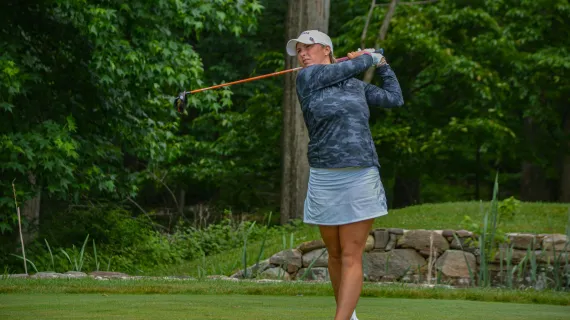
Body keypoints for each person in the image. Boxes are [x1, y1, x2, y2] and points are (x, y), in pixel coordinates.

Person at [285, 30, 404, 320]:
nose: (302, 55)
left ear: (326, 50)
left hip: (360, 173)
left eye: (308, 48)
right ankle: (348, 317)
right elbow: (347, 68)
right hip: (325, 175)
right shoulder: (306, 80)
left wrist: (382, 64)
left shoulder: (354, 85)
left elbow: (394, 98)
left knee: (350, 254)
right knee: (335, 254)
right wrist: (368, 57)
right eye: (299, 50)